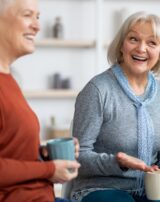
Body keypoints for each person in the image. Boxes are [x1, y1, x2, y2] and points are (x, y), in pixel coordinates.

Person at [70, 11, 160, 202]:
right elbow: (78, 156)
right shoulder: (97, 90)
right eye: (133, 39)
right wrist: (117, 163)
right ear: (121, 45)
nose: (141, 48)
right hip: (100, 187)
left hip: (149, 188)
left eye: (152, 43)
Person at [0, 0, 81, 201]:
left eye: (37, 17)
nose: (37, 26)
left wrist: (44, 155)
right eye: (27, 15)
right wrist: (49, 169)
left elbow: (11, 151)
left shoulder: (9, 79)